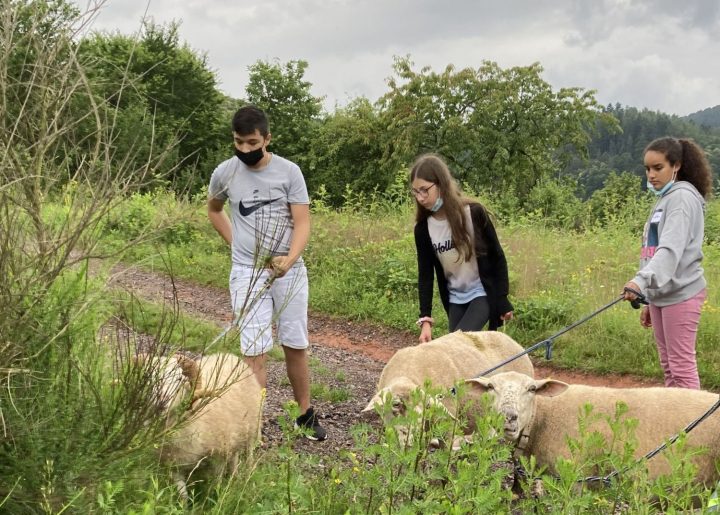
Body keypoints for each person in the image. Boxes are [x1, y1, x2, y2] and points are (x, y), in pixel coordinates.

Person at [207, 105, 326, 441]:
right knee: (254, 349)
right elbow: (214, 210)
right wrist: (236, 244)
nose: (245, 149)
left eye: (251, 142)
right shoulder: (225, 173)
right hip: (247, 273)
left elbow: (302, 222)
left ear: (267, 139)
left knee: (295, 342)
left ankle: (304, 414)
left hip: (288, 273)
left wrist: (290, 258)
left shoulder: (289, 173)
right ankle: (252, 427)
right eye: (238, 142)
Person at [623, 137, 713, 390]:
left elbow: (670, 251)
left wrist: (640, 282)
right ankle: (677, 427)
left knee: (681, 369)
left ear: (676, 166)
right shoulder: (666, 198)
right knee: (669, 368)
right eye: (647, 169)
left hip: (681, 294)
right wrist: (650, 298)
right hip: (664, 295)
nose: (651, 175)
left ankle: (698, 428)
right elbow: (653, 252)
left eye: (658, 167)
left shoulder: (682, 198)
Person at [411, 153, 513, 343]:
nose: (421, 198)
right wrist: (426, 320)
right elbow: (425, 275)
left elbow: (497, 256)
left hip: (480, 292)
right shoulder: (424, 229)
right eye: (416, 192)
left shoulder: (473, 214)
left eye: (425, 190)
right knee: (464, 350)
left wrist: (502, 298)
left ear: (440, 184)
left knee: (456, 344)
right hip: (454, 298)